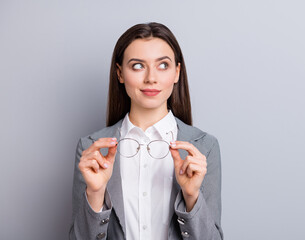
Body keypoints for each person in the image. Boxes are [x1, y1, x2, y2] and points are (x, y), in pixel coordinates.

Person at [69, 22, 223, 240]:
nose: (151, 78)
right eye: (138, 66)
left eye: (163, 65)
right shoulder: (91, 148)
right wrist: (95, 194)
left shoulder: (204, 146)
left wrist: (191, 196)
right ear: (120, 73)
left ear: (177, 72)